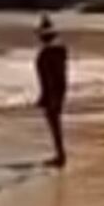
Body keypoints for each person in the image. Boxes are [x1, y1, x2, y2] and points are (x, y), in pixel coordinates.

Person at [36, 20, 69, 168]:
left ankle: (60, 155)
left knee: (54, 123)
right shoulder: (59, 50)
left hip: (53, 92)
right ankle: (60, 154)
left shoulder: (48, 53)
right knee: (55, 123)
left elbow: (49, 77)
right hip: (58, 90)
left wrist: (46, 96)